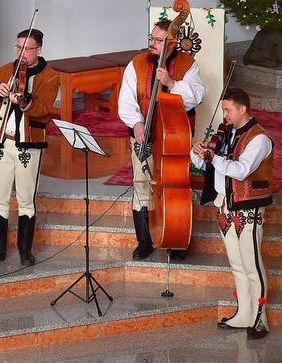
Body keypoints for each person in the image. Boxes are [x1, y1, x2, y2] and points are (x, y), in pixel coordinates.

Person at [117, 18, 204, 261]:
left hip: (174, 139)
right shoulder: (136, 63)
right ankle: (144, 241)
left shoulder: (188, 64)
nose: (152, 44)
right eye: (151, 39)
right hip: (144, 137)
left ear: (172, 42)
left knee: (174, 189)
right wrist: (136, 123)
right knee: (142, 186)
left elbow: (197, 96)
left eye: (157, 40)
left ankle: (175, 239)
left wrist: (171, 83)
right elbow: (125, 101)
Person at [190, 88, 273, 339]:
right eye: (224, 110)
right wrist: (200, 155)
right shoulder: (226, 134)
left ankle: (260, 318)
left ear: (242, 109)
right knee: (237, 264)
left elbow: (240, 170)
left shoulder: (259, 139)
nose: (224, 114)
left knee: (252, 264)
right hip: (225, 204)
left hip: (247, 207)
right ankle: (243, 314)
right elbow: (212, 167)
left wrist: (213, 158)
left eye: (228, 110)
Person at [0, 29, 59, 267]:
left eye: (27, 48)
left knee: (26, 199)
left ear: (39, 50)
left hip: (28, 144)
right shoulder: (5, 70)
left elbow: (43, 108)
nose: (21, 53)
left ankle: (25, 249)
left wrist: (23, 101)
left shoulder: (50, 76)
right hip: (2, 141)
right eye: (18, 47)